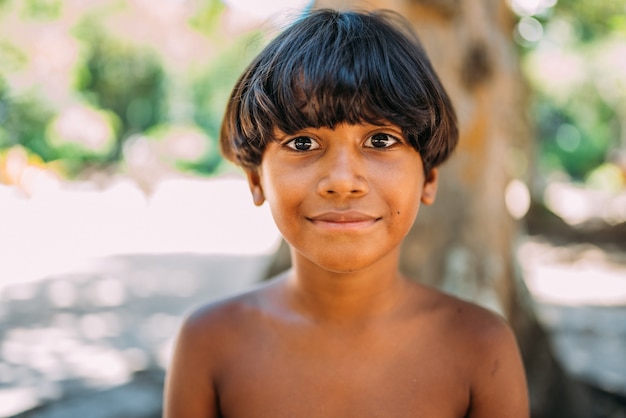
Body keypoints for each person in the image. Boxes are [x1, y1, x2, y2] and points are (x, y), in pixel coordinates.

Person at [164, 8, 529, 418]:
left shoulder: (480, 346)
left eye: (380, 139)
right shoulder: (210, 342)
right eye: (302, 144)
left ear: (428, 178)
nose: (342, 181)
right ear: (256, 179)